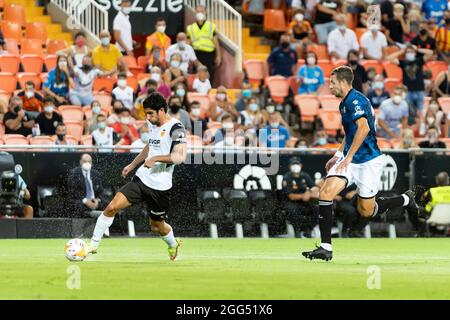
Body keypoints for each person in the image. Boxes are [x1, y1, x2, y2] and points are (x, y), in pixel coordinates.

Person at [302, 66, 419, 261]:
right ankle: (325, 247)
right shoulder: (344, 103)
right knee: (326, 191)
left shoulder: (356, 100)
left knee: (367, 211)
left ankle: (406, 200)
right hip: (349, 159)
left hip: (368, 161)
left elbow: (363, 129)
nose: (329, 86)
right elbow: (350, 134)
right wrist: (338, 154)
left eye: (332, 82)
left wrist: (348, 157)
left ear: (343, 82)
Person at [89, 92, 187, 260]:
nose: (147, 117)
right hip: (142, 178)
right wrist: (133, 165)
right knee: (112, 207)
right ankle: (93, 245)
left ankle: (172, 244)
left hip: (160, 187)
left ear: (162, 110)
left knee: (156, 226)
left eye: (150, 113)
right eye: (146, 113)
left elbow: (180, 157)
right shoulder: (152, 125)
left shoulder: (176, 128)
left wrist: (156, 159)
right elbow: (151, 145)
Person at [387, 45, 433, 120]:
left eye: (411, 52)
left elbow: (430, 53)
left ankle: (420, 129)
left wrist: (418, 49)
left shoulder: (419, 61)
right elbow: (390, 58)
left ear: (415, 53)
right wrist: (402, 51)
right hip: (407, 91)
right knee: (408, 113)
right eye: (408, 52)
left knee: (420, 113)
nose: (409, 53)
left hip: (419, 90)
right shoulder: (403, 62)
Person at [282, 157, 319, 238]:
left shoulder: (305, 176)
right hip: (292, 202)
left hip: (306, 202)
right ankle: (297, 231)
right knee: (292, 211)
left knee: (318, 210)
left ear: (301, 165)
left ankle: (308, 230)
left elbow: (315, 187)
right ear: (289, 166)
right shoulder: (287, 177)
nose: (295, 166)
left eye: (297, 164)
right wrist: (303, 196)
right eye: (293, 164)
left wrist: (309, 192)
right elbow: (290, 196)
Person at [186, 5, 221, 84]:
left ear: (205, 12)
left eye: (202, 11)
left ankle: (208, 90)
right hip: (196, 54)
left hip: (209, 54)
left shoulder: (211, 26)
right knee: (196, 74)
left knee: (209, 74)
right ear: (195, 12)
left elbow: (216, 42)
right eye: (198, 11)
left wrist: (219, 55)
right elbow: (188, 43)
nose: (200, 13)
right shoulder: (190, 28)